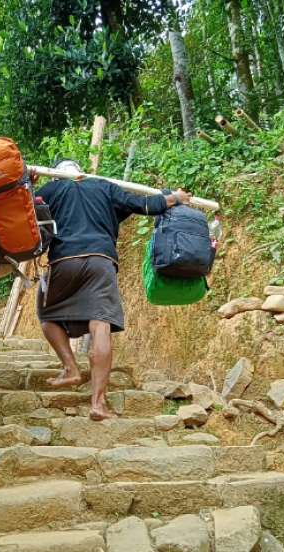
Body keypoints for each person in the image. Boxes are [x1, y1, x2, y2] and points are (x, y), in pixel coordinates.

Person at [30, 159, 192, 420]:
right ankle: (98, 404)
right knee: (100, 324)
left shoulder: (50, 190)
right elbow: (145, 205)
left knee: (47, 314)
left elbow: (21, 212)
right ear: (82, 172)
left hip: (64, 261)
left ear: (56, 174)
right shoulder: (104, 187)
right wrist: (174, 197)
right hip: (101, 261)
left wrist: (30, 184)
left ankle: (71, 368)